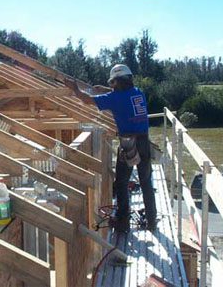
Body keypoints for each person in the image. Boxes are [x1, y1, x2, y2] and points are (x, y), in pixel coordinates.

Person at [65, 64, 157, 232]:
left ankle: (123, 222)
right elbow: (121, 94)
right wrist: (104, 90)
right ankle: (152, 221)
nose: (112, 86)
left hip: (129, 143)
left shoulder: (114, 99)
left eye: (113, 83)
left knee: (121, 183)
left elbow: (86, 100)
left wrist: (76, 89)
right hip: (144, 141)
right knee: (146, 182)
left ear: (116, 81)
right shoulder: (138, 92)